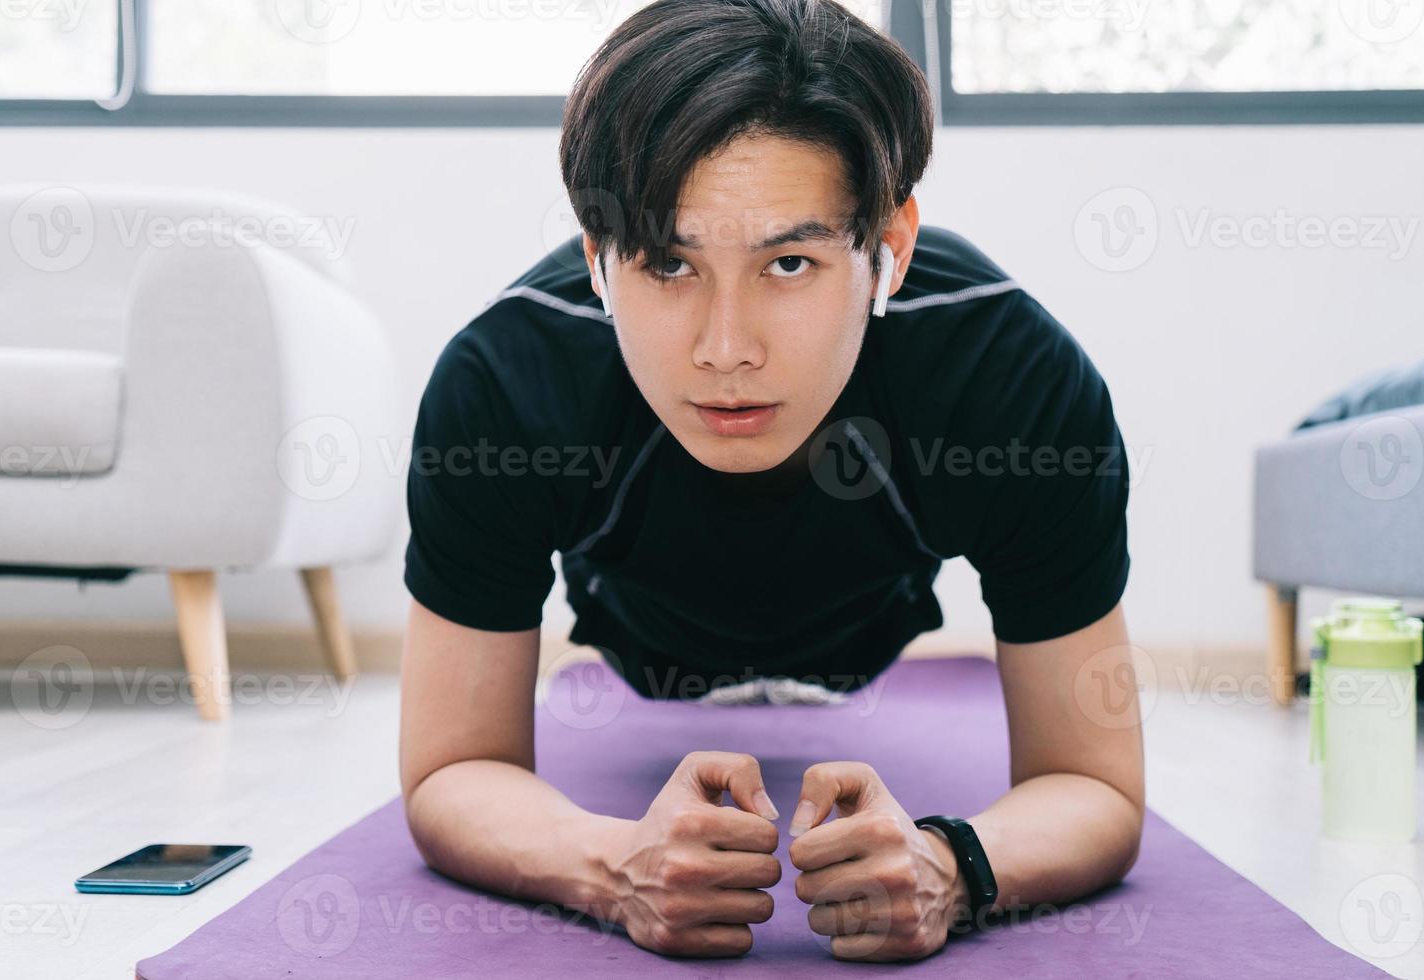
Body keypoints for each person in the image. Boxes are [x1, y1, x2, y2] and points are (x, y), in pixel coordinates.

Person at [399, 0, 1143, 962]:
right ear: (595, 258)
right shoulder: (505, 381)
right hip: (634, 628)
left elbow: (1100, 785)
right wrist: (613, 864)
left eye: (788, 262)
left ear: (890, 248)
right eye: (668, 263)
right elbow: (452, 768)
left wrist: (951, 866)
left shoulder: (1008, 374)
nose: (725, 350)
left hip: (869, 624)